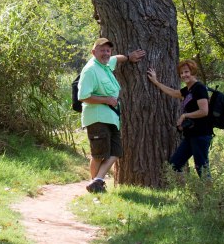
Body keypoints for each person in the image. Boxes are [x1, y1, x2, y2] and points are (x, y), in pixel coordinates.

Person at [78, 38, 146, 193]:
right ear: (93, 52)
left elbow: (117, 58)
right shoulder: (90, 70)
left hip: (111, 118)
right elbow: (83, 96)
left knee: (116, 152)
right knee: (98, 155)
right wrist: (106, 100)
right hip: (96, 117)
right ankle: (95, 187)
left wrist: (129, 57)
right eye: (102, 50)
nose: (106, 53)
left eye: (108, 50)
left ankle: (97, 181)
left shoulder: (106, 64)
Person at [147, 59, 213, 178]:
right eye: (181, 73)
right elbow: (173, 92)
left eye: (186, 72)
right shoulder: (188, 89)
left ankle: (209, 190)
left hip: (201, 135)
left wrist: (184, 116)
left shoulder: (199, 88)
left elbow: (204, 111)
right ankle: (184, 189)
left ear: (193, 72)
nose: (184, 75)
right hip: (190, 135)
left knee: (202, 169)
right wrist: (156, 82)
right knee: (174, 165)